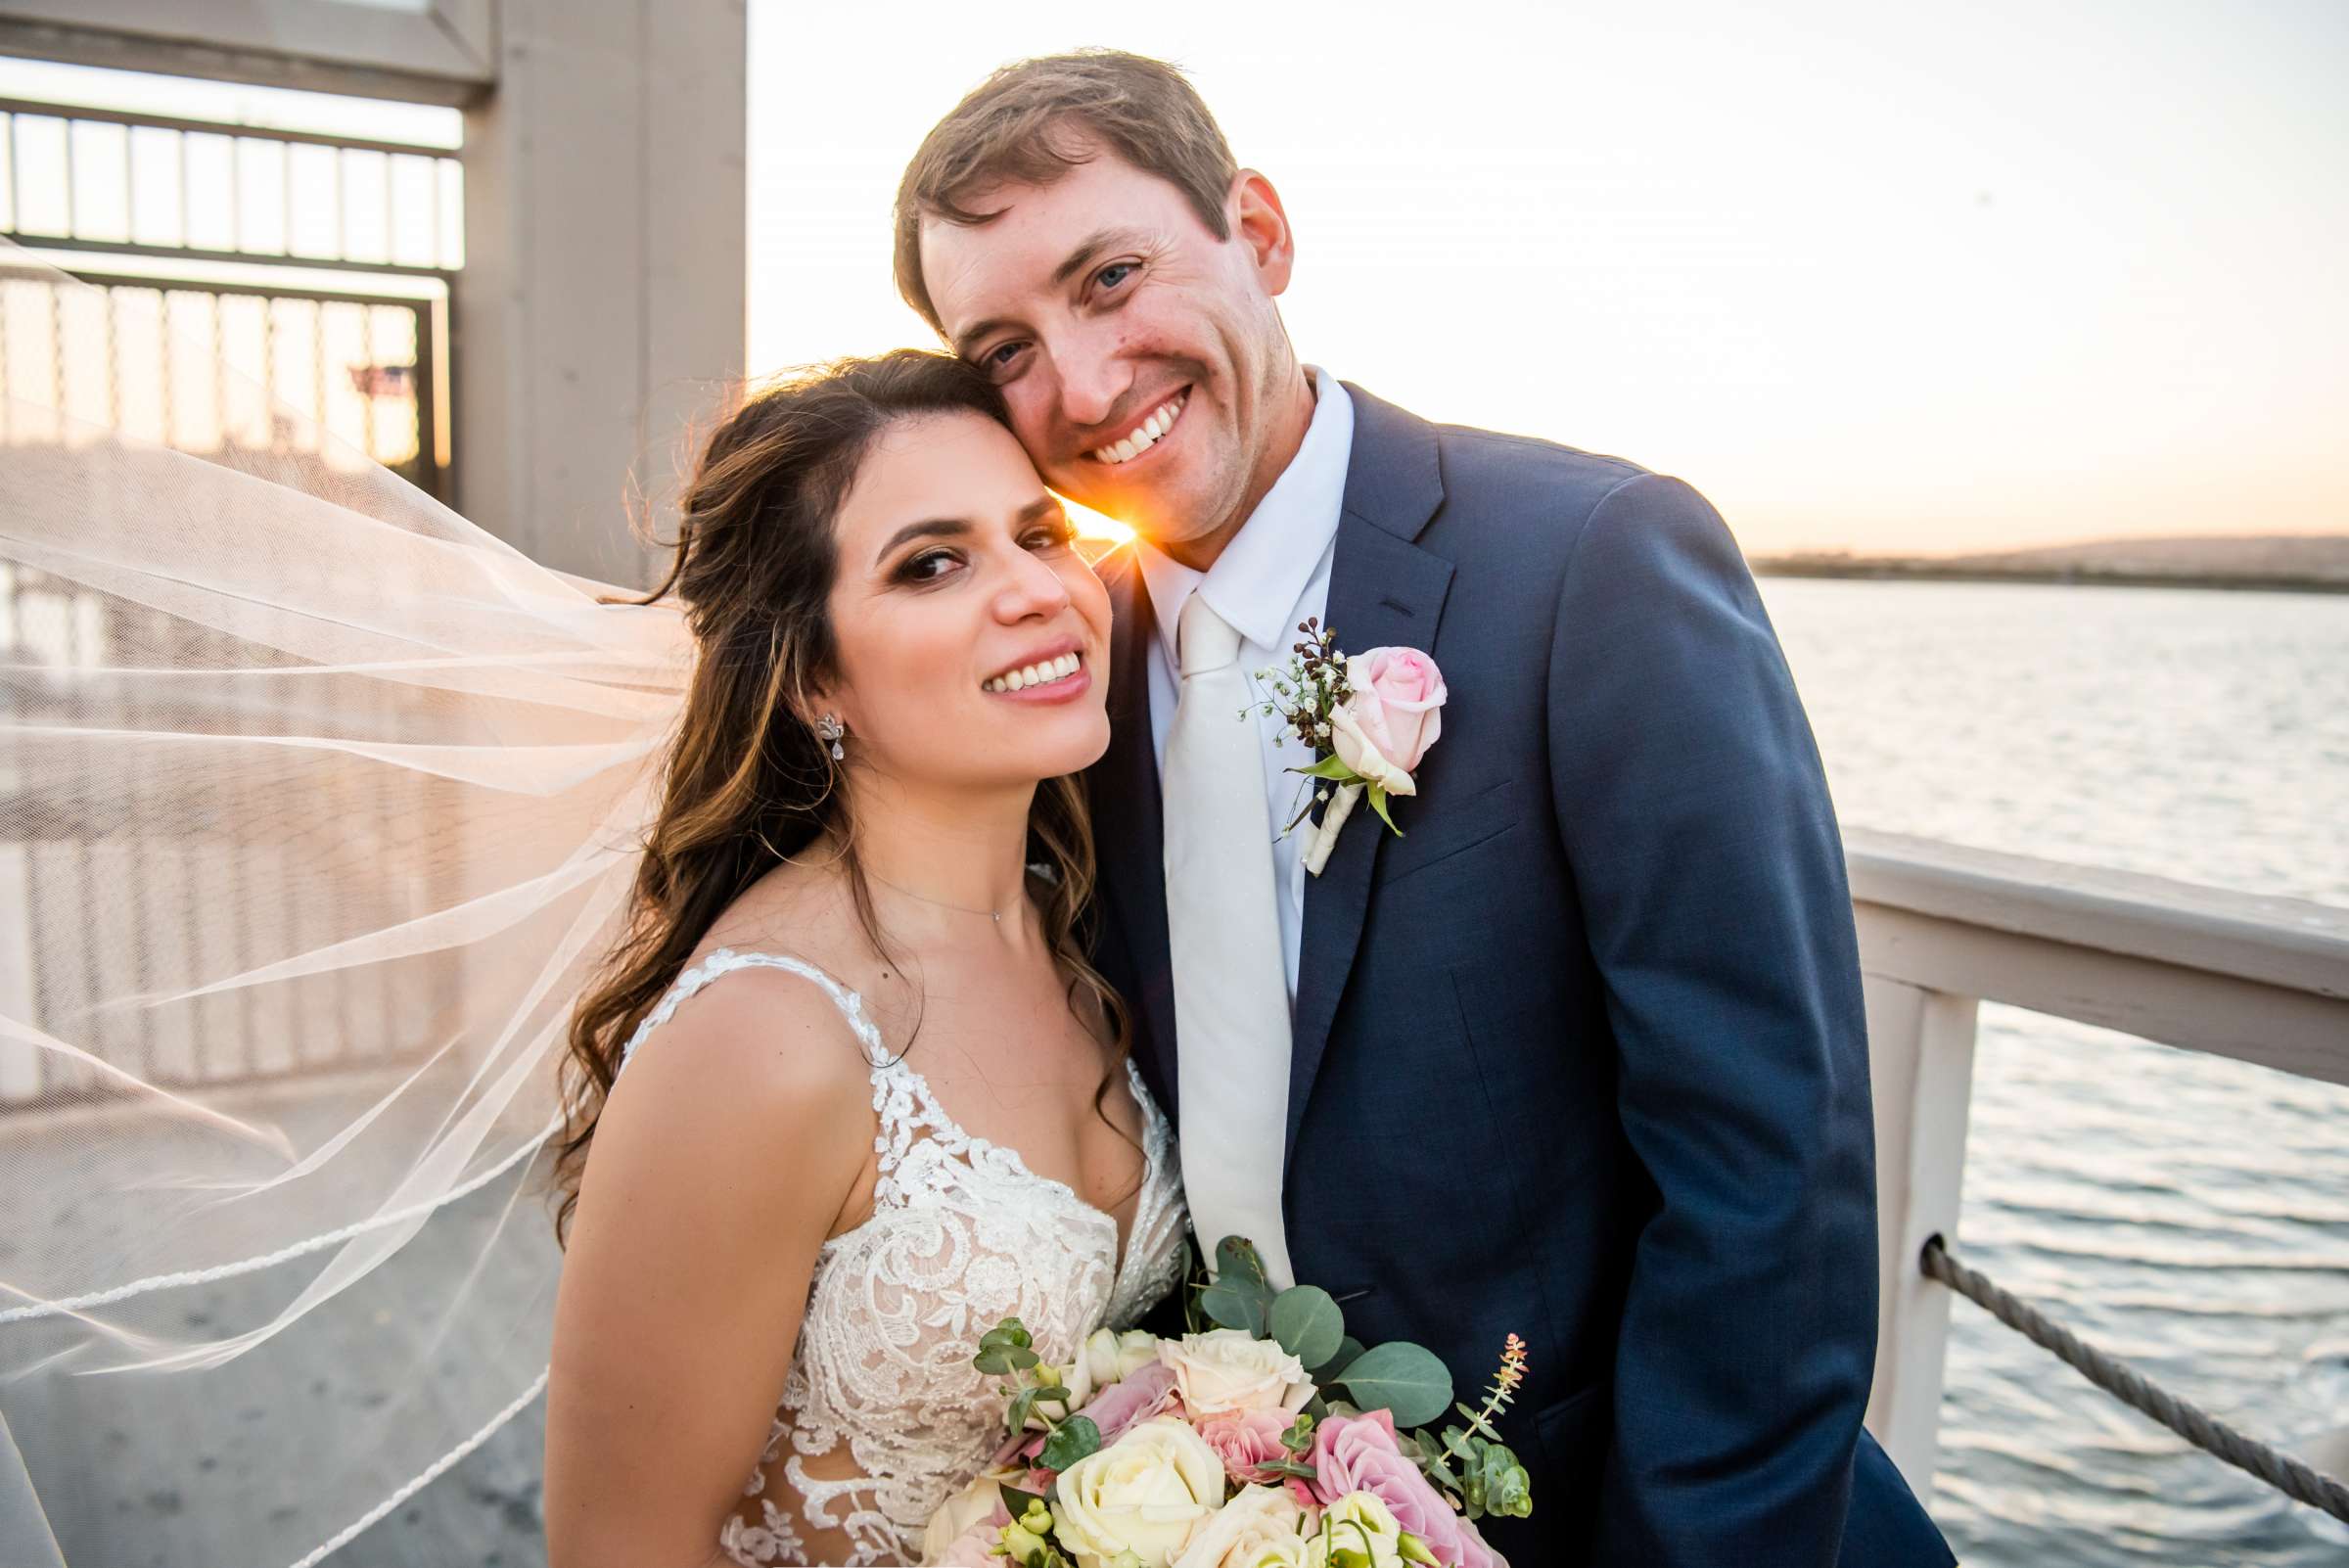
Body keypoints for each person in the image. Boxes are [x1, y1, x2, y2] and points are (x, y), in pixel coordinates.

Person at [893, 50, 1954, 1566]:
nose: (1079, 383)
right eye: (1003, 348)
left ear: (1257, 232)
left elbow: (1767, 1177)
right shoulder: (1070, 680)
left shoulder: (1591, 563)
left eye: (1112, 276)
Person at [538, 352, 1189, 1567]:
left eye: (1040, 534)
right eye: (933, 563)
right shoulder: (763, 1041)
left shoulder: (1089, 933)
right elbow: (616, 1546)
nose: (1039, 592)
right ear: (814, 679)